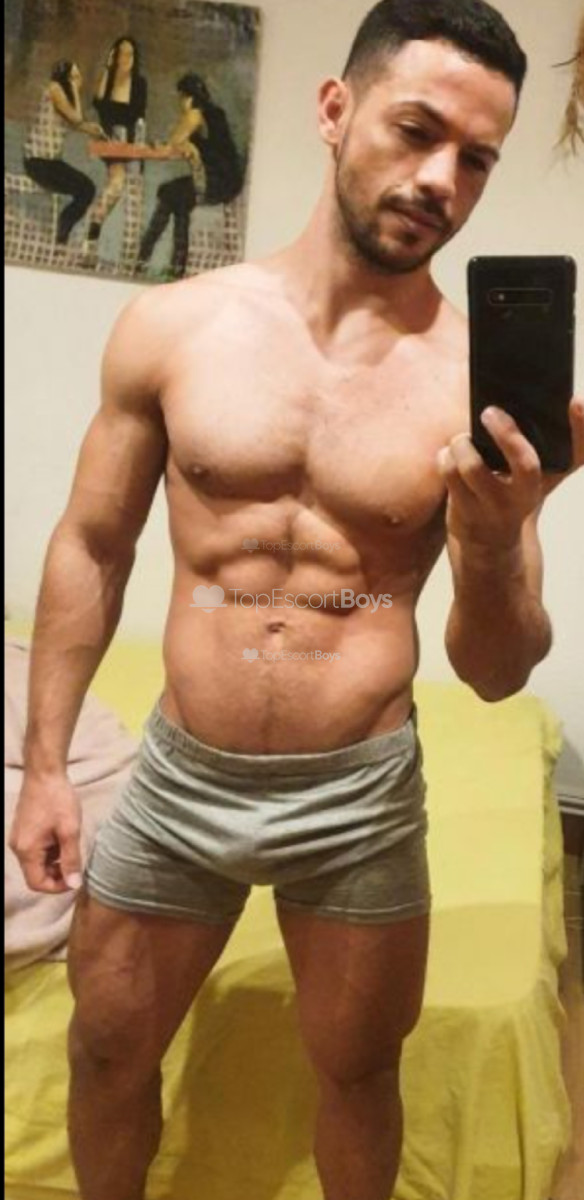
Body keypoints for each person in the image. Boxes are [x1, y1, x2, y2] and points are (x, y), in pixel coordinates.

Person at [9, 2, 584, 1199]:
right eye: (416, 131)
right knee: (106, 1052)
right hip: (179, 781)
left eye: (475, 159)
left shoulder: (468, 382)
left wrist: (492, 540)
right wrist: (49, 764)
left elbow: (493, 673)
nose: (440, 181)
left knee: (359, 1076)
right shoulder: (173, 326)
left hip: (356, 798)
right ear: (335, 110)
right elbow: (93, 546)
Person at [137, 72, 244, 278]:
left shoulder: (195, 114)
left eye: (181, 98)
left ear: (188, 97)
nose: (180, 104)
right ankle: (176, 265)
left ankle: (145, 257)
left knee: (169, 193)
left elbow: (174, 141)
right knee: (178, 197)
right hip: (226, 180)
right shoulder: (214, 113)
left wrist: (180, 143)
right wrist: (186, 145)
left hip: (217, 182)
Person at [22, 61, 104, 245]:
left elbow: (76, 123)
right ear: (66, 78)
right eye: (74, 77)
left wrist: (93, 131)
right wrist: (74, 89)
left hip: (49, 163)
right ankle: (62, 234)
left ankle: (62, 233)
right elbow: (76, 118)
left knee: (86, 188)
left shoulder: (61, 97)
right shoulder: (55, 89)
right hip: (39, 163)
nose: (79, 80)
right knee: (86, 189)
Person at [84, 36, 148, 252]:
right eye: (121, 53)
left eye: (130, 54)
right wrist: (107, 67)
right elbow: (97, 103)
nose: (126, 58)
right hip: (109, 138)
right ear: (115, 55)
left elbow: (140, 117)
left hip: (131, 141)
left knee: (134, 185)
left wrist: (135, 143)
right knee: (118, 182)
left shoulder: (140, 83)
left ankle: (127, 247)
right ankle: (93, 231)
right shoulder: (108, 80)